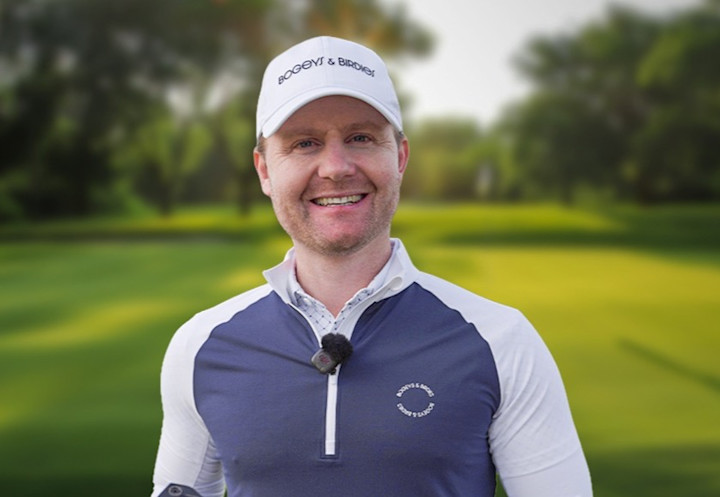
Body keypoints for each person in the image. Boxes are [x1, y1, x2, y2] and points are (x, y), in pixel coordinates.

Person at [150, 36, 592, 497]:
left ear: (399, 157)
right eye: (304, 143)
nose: (335, 167)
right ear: (264, 170)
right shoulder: (201, 345)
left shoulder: (501, 341)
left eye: (360, 138)